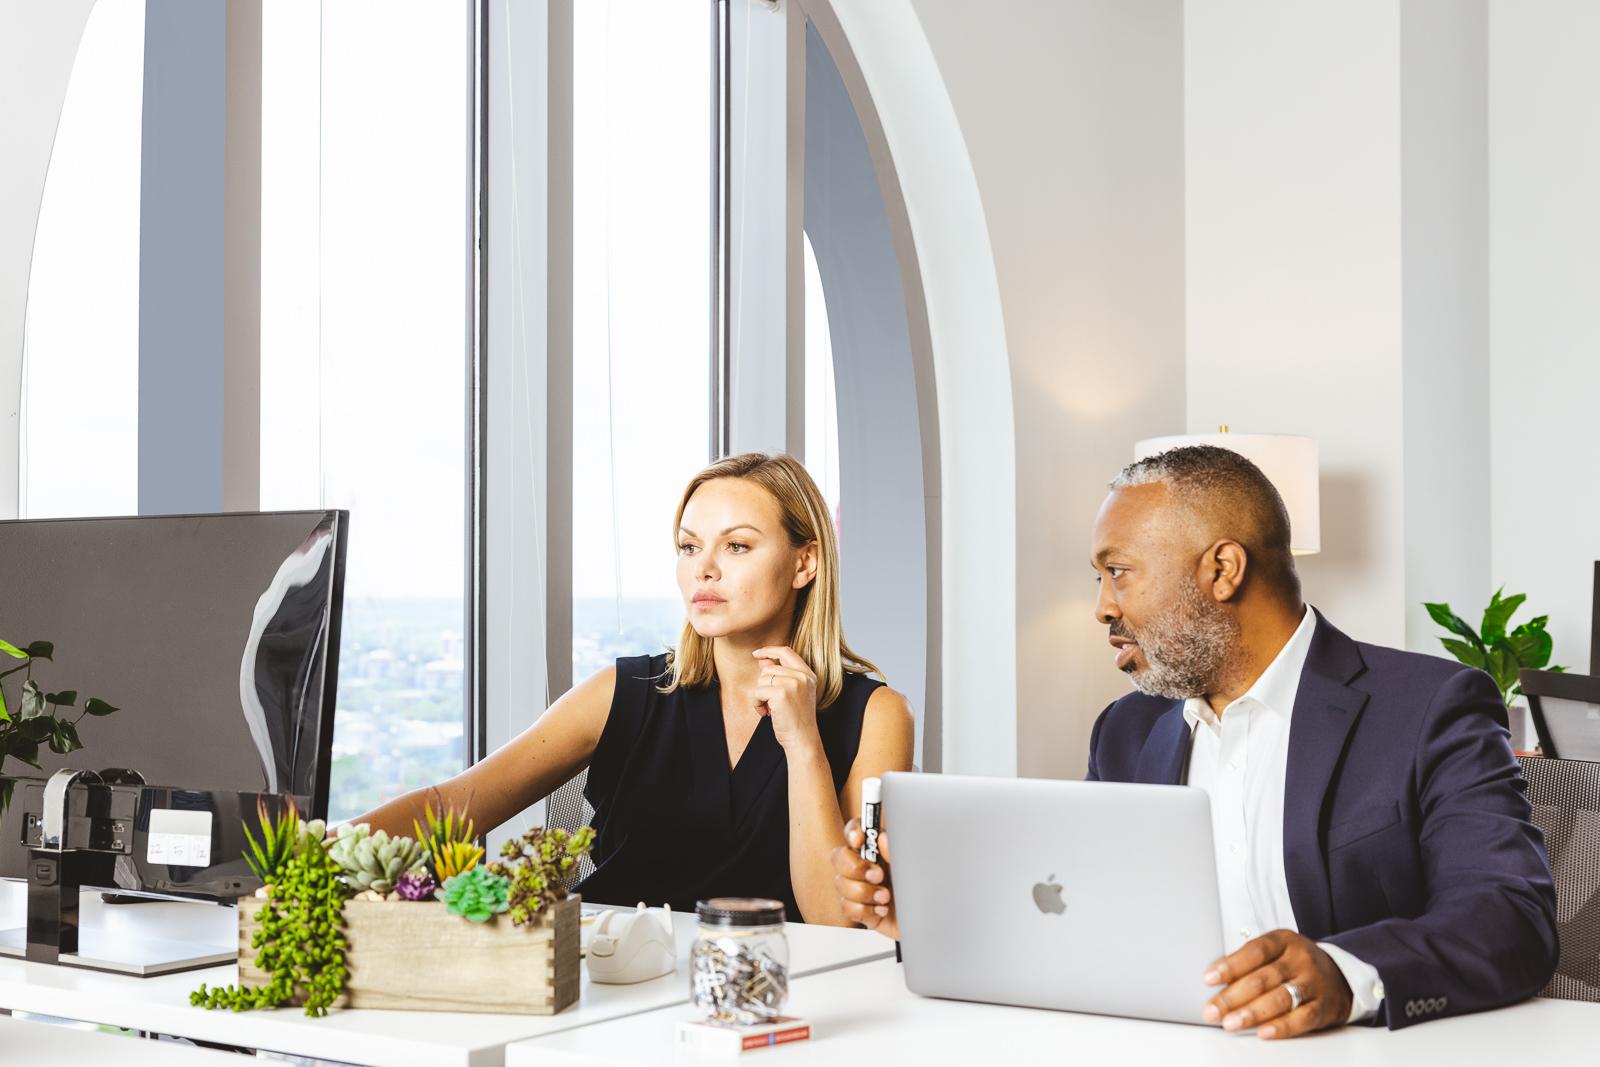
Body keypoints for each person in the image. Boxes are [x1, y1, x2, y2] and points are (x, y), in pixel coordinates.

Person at [831, 444, 1557, 1034]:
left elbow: (1510, 917)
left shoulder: (1427, 705)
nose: (1101, 606)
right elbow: (1082, 916)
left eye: (1117, 571)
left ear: (1222, 568)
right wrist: (938, 914)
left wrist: (1344, 972)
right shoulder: (1127, 729)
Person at [357, 451, 914, 924]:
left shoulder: (877, 716)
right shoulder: (625, 691)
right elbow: (456, 805)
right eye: (690, 547)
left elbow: (836, 920)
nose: (705, 570)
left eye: (737, 546)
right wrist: (314, 853)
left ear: (804, 563)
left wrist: (802, 742)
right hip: (602, 998)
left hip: (762, 1015)